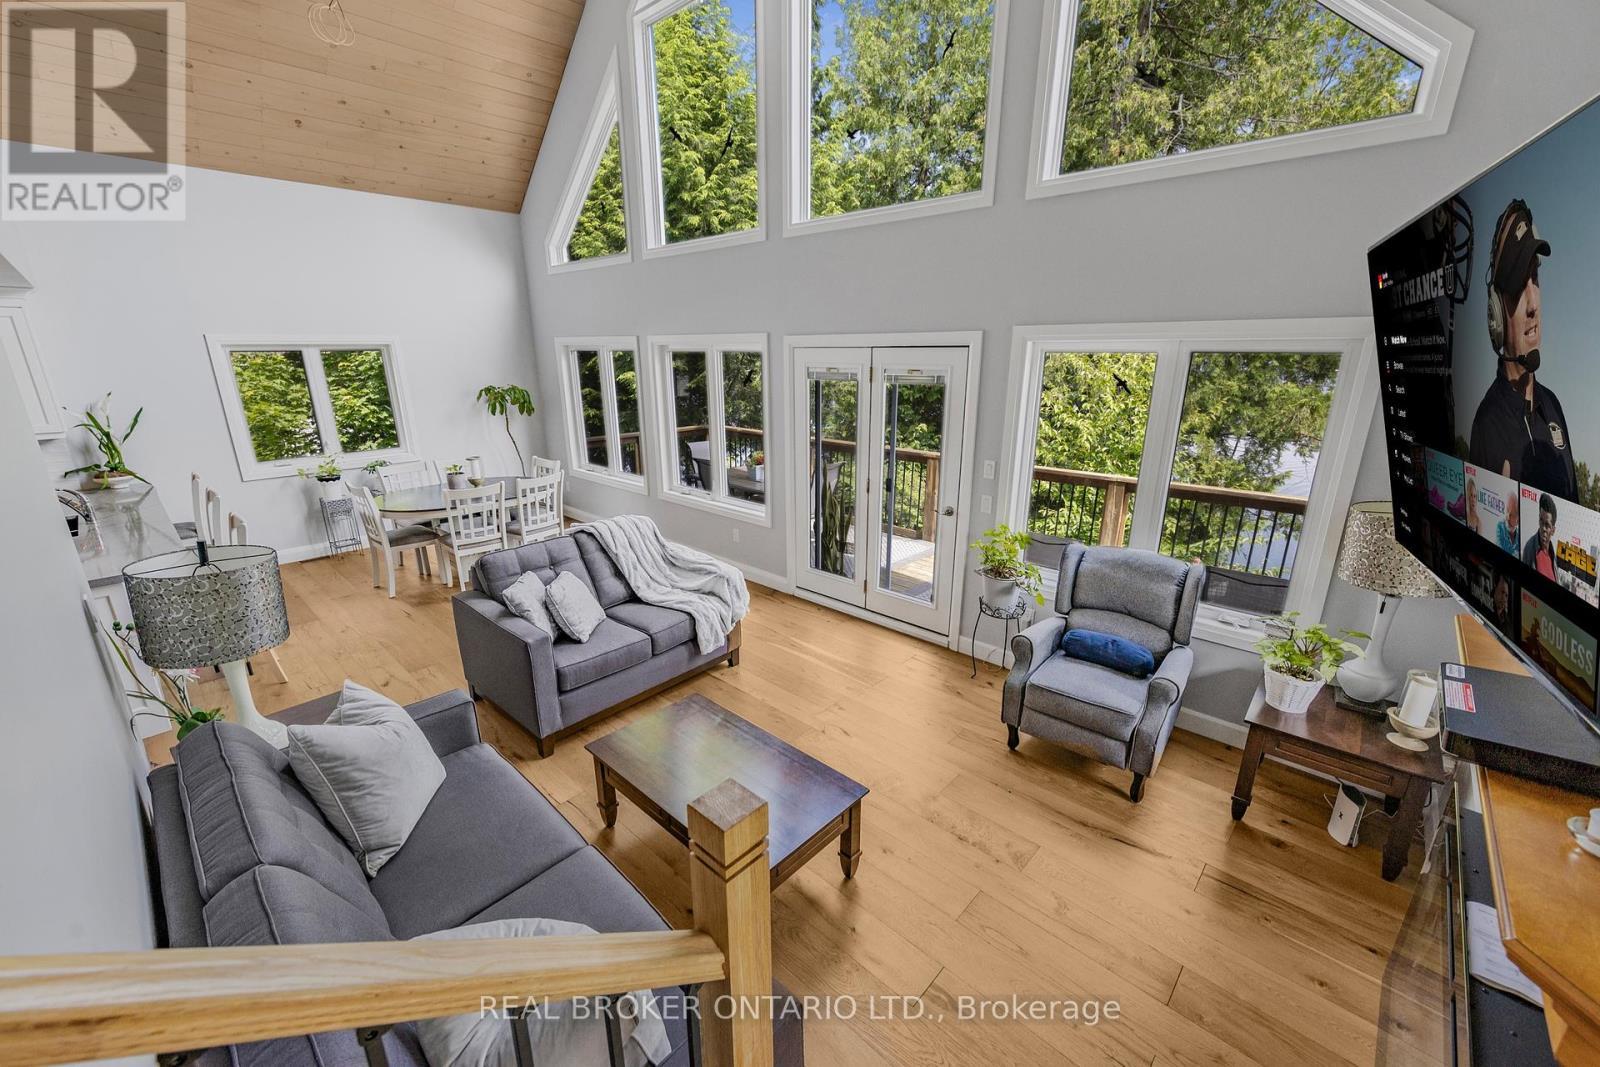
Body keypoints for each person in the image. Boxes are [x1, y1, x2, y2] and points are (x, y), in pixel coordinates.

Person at [1469, 199, 1578, 501]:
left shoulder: (1553, 407)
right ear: (1496, 315)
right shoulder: (1487, 424)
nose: (1533, 304)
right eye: (1519, 286)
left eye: (1536, 278)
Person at [1523, 492, 1557, 580]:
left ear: (1553, 530)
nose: (1543, 528)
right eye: (1541, 521)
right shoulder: (1530, 548)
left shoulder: (1553, 555)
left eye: (1547, 525)